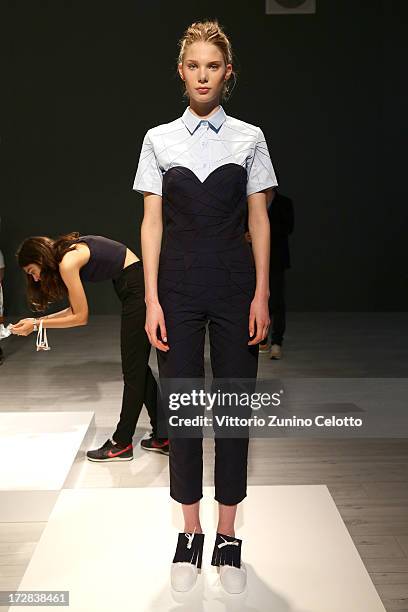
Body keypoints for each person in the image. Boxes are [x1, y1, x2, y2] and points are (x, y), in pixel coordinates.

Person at [133, 20, 278, 594]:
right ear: (180, 70)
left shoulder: (250, 137)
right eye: (193, 65)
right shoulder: (157, 139)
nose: (202, 74)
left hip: (235, 284)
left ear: (228, 73)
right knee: (186, 410)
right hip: (177, 288)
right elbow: (149, 224)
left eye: (212, 65)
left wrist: (263, 292)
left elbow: (260, 220)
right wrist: (150, 298)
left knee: (235, 409)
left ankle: (228, 534)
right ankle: (189, 531)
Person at [11, 233, 169, 459]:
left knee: (133, 372)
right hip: (133, 284)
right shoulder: (66, 255)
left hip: (136, 288)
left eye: (31, 271)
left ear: (40, 258)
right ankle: (164, 436)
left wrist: (37, 324)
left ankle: (122, 442)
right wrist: (36, 323)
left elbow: (81, 316)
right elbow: (74, 310)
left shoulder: (68, 262)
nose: (34, 279)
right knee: (138, 369)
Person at [258, 189, 294, 359]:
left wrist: (262, 230)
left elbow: (288, 227)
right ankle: (262, 340)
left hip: (277, 259)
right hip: (255, 259)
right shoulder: (252, 200)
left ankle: (277, 342)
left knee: (277, 301)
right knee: (257, 299)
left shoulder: (284, 202)